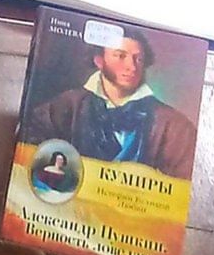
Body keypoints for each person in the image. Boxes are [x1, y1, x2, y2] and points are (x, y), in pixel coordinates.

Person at [17, 32, 197, 179]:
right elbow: (28, 155)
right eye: (120, 56)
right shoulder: (66, 106)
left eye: (138, 59)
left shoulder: (174, 126)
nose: (132, 67)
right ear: (99, 61)